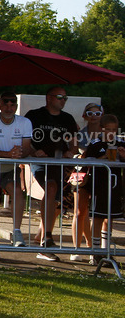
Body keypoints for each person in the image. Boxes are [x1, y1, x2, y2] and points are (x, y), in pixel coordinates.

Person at [25, 86, 79, 260]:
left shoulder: (68, 119)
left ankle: (43, 237)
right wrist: (34, 152)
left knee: (55, 199)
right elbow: (23, 139)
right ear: (48, 98)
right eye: (59, 97)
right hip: (40, 162)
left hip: (59, 163)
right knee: (51, 188)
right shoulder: (34, 115)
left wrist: (71, 152)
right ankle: (47, 237)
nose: (63, 101)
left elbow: (74, 143)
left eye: (65, 98)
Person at [0, 93, 33, 260]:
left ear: (16, 106)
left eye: (13, 104)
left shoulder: (24, 122)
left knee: (17, 192)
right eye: (6, 104)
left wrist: (19, 153)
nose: (9, 107)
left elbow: (26, 148)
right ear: (0, 105)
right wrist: (9, 154)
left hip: (10, 168)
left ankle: (16, 232)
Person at [80, 113, 121, 260]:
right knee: (97, 217)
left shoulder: (120, 143)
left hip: (115, 186)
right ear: (102, 129)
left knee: (109, 218)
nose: (111, 133)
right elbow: (88, 162)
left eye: (114, 130)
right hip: (99, 187)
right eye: (108, 129)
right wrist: (101, 159)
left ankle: (106, 251)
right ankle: (95, 252)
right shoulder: (95, 144)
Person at [71, 102, 104, 257]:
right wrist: (81, 156)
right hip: (80, 174)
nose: (94, 117)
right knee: (79, 211)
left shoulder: (107, 135)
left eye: (97, 113)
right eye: (90, 113)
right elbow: (72, 153)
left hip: (101, 175)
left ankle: (96, 248)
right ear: (85, 116)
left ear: (102, 116)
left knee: (101, 213)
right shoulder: (79, 134)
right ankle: (76, 249)